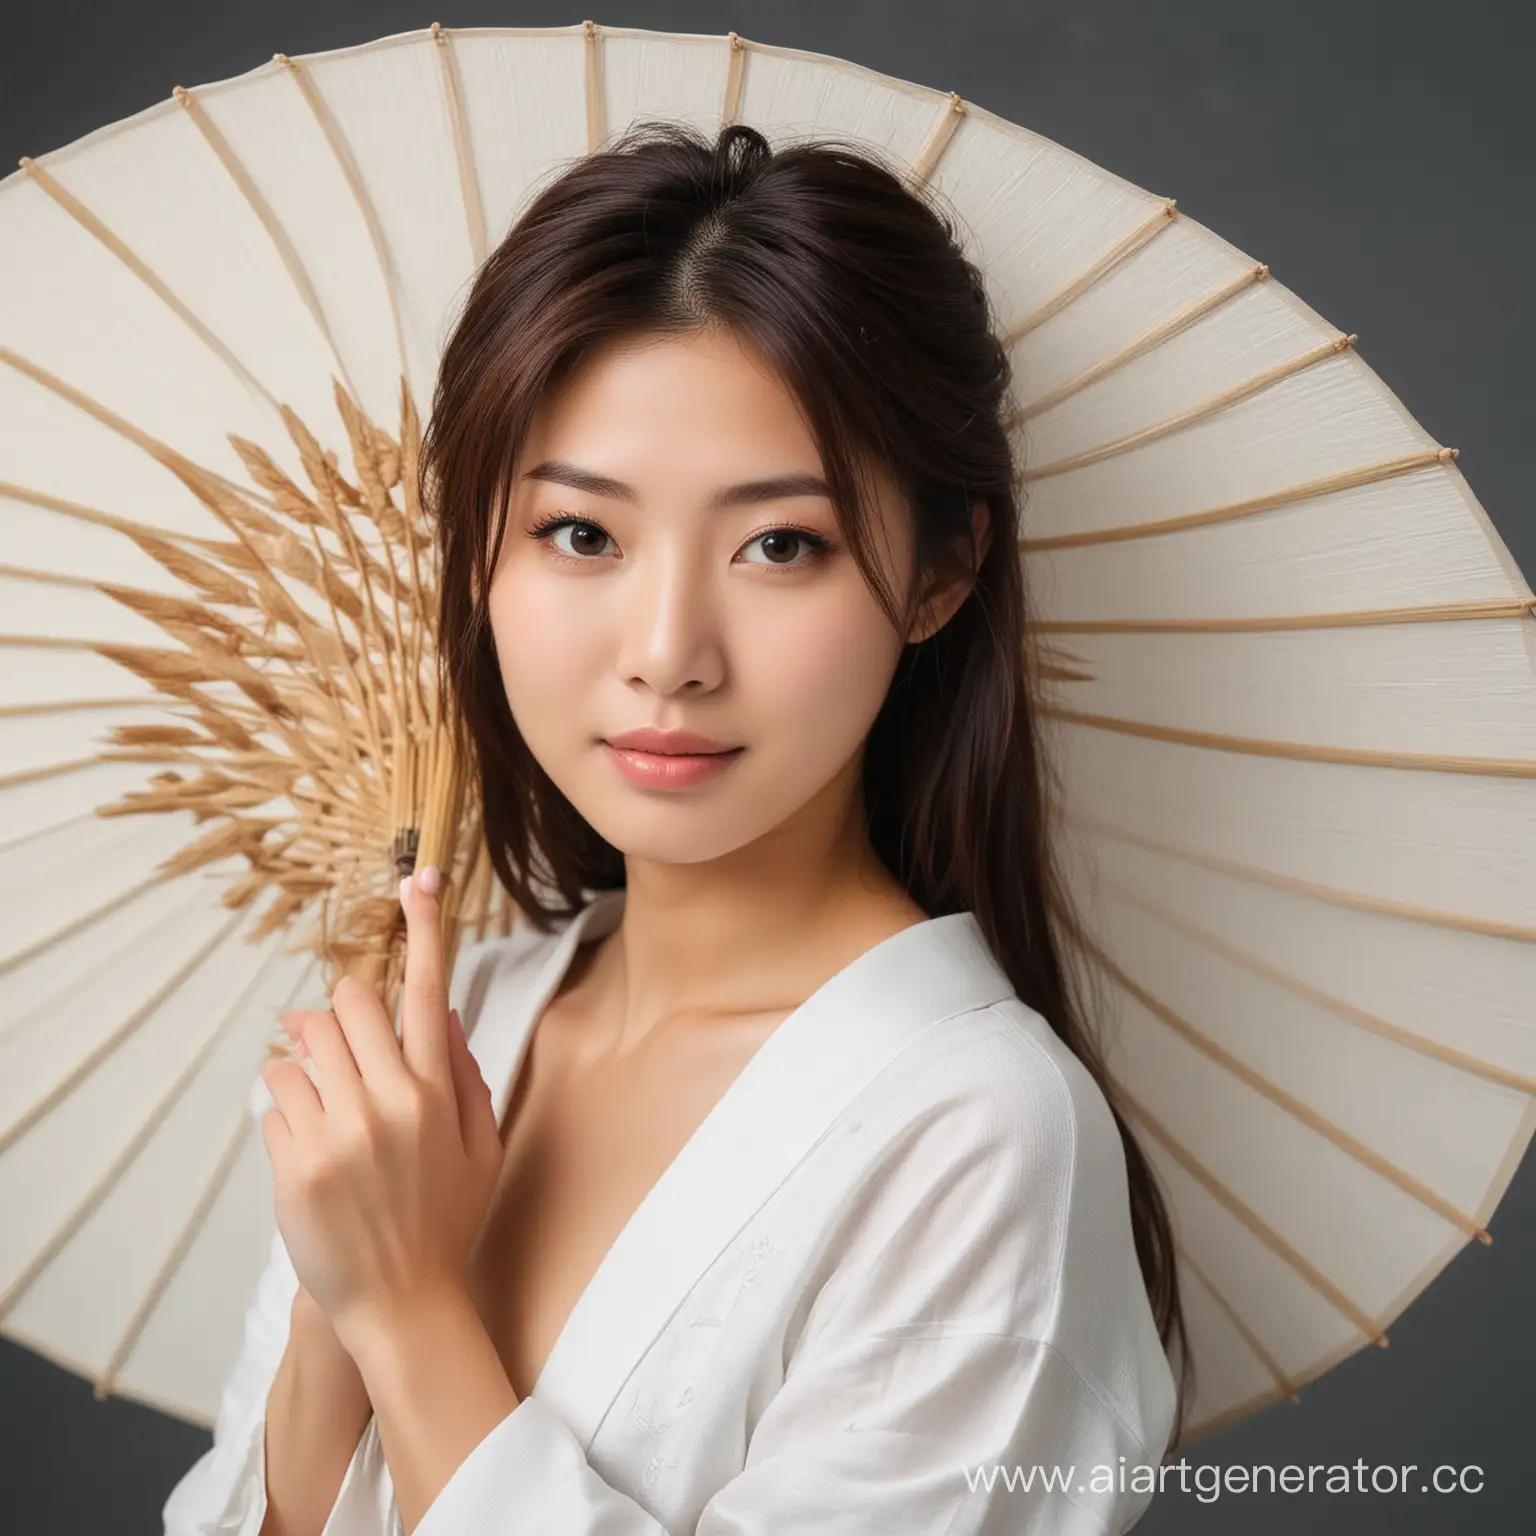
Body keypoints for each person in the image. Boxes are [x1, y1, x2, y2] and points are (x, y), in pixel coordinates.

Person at [163, 119, 1190, 1536]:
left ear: (944, 570)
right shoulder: (444, 1035)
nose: (667, 653)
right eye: (581, 533)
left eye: (782, 543)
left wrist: (404, 1311)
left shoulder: (976, 1139)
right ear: (478, 555)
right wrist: (336, 1314)